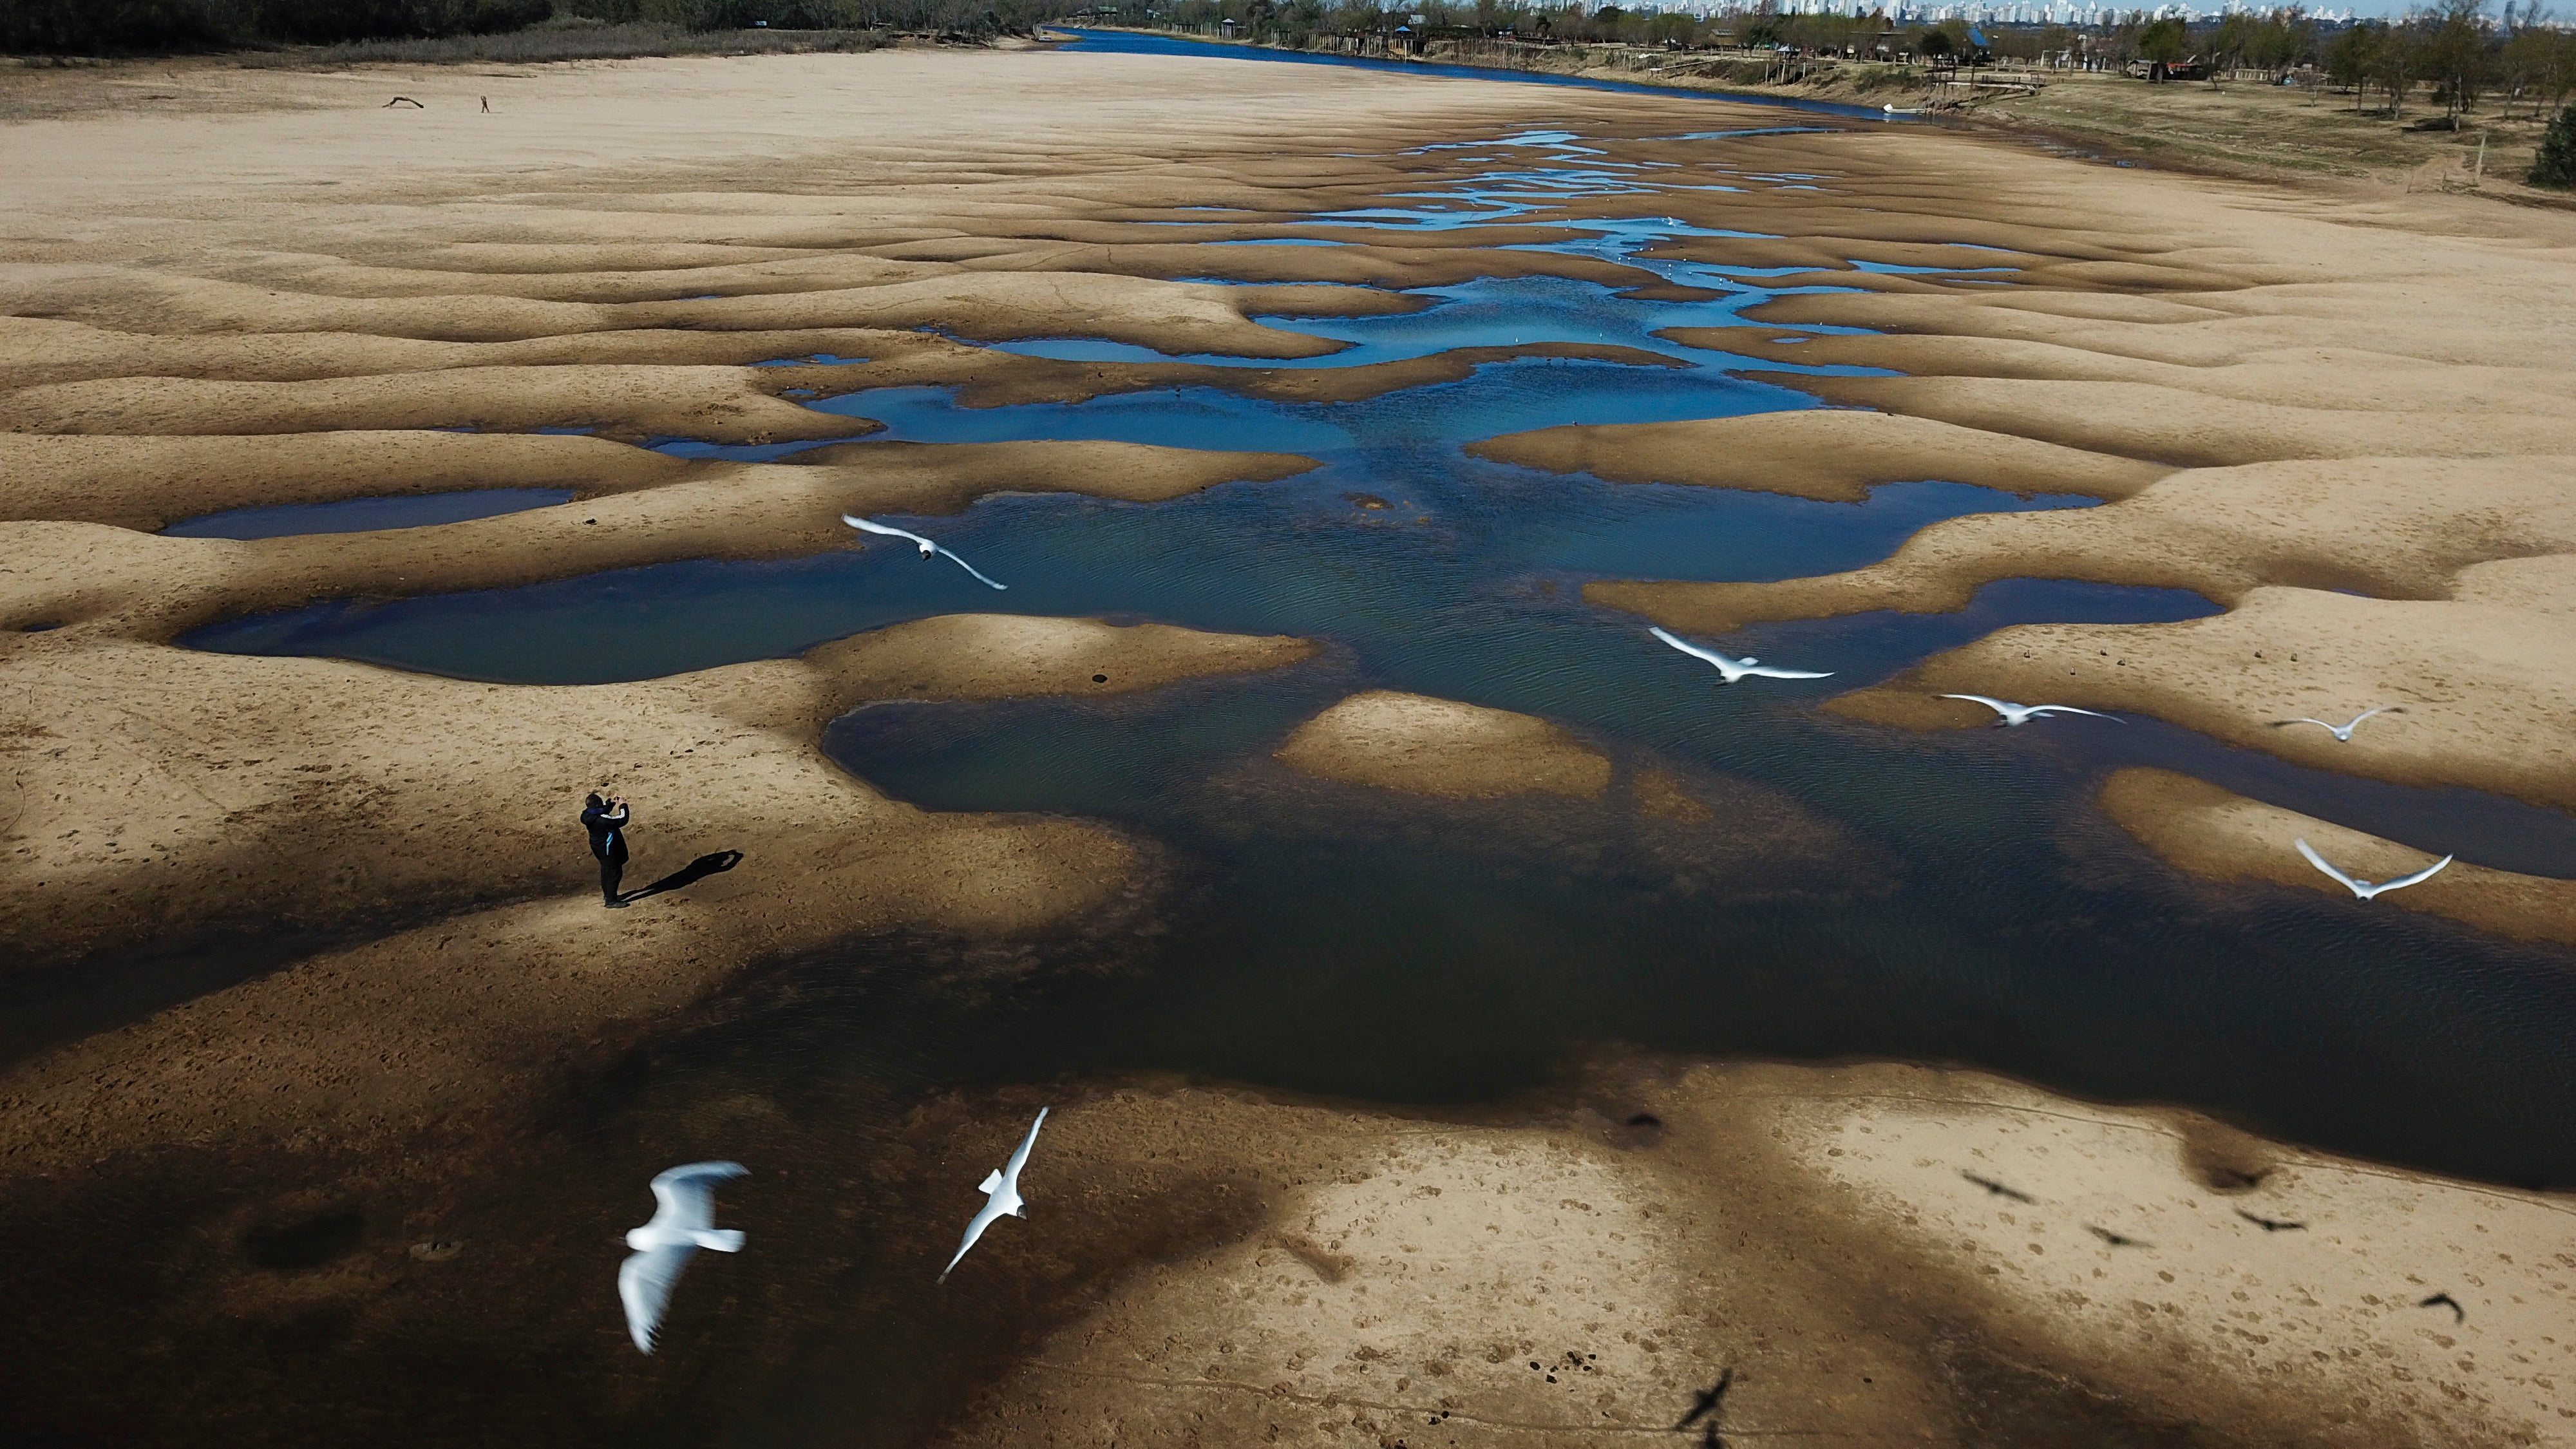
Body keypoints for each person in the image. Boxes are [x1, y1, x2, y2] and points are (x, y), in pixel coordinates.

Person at [582, 792, 630, 907]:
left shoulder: (587, 815)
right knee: (614, 873)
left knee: (606, 871)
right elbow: (621, 820)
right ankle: (611, 900)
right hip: (608, 850)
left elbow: (601, 811)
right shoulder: (602, 820)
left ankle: (609, 895)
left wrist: (610, 803)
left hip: (599, 848)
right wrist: (623, 806)